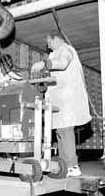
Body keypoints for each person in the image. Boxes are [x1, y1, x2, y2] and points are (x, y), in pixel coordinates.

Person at [31, 30, 91, 177]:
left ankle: (73, 165)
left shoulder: (66, 50)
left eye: (50, 42)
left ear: (57, 39)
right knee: (60, 131)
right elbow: (55, 73)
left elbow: (63, 64)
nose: (49, 46)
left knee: (66, 130)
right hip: (59, 99)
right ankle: (64, 165)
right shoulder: (54, 53)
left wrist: (44, 63)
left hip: (67, 99)